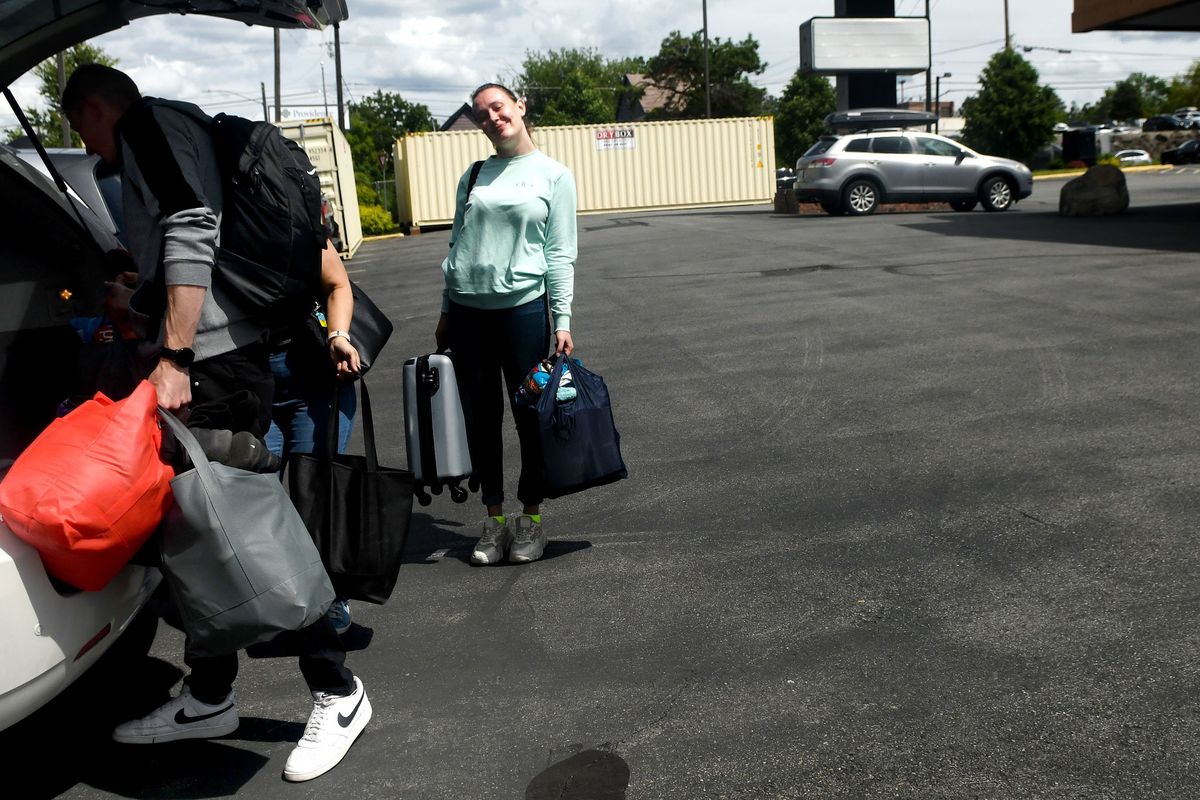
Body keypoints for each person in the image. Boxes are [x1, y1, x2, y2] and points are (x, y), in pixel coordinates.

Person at [62, 64, 370, 783]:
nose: (85, 142)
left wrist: (172, 354)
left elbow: (194, 224)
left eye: (80, 126)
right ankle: (208, 696)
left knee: (248, 534)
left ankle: (338, 689)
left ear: (96, 107)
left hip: (214, 366)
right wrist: (139, 303)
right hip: (219, 358)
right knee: (196, 535)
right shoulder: (169, 127)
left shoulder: (147, 127)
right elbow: (185, 240)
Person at [435, 83, 578, 566]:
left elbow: (559, 254)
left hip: (523, 311)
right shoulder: (474, 175)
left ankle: (531, 520)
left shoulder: (554, 176)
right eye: (481, 114)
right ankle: (494, 519)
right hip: (469, 315)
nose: (492, 117)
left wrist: (562, 318)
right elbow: (456, 247)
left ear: (519, 106)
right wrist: (446, 311)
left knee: (529, 418)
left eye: (498, 107)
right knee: (481, 420)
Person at [266, 238, 360, 633]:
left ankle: (330, 600)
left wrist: (338, 334)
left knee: (315, 499)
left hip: (314, 376)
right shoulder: (209, 227)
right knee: (255, 501)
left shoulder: (290, 216)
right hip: (247, 380)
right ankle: (274, 601)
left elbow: (337, 283)